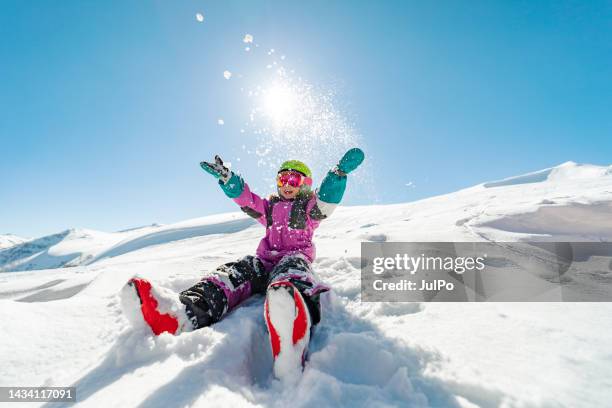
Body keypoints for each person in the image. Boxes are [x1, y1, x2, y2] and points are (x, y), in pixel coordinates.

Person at [122, 148, 364, 357]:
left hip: (293, 258)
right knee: (235, 272)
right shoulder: (269, 208)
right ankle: (185, 312)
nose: (287, 185)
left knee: (292, 271)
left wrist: (337, 175)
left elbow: (325, 201)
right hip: (264, 261)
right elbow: (246, 200)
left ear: (305, 185)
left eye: (294, 180)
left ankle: (291, 315)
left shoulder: (308, 209)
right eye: (282, 179)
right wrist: (229, 180)